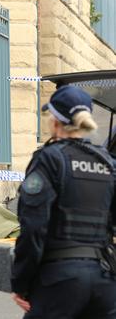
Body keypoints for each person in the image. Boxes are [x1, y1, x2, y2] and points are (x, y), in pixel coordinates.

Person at [11, 85, 116, 318]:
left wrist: (21, 283)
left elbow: (34, 227)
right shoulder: (107, 162)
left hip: (60, 279)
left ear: (55, 122)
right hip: (104, 279)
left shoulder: (50, 159)